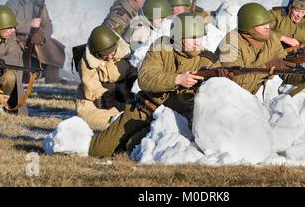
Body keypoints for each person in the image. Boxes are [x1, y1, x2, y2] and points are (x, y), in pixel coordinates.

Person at [88, 12, 223, 158]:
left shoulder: (209, 60)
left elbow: (218, 96)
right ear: (179, 37)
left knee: (134, 148)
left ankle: (133, 143)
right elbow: (145, 78)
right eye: (193, 38)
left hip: (176, 122)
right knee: (97, 149)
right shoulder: (162, 47)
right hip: (144, 109)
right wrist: (177, 79)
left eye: (200, 37)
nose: (199, 42)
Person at [217, 2, 303, 95]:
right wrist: (266, 68)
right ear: (249, 27)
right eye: (262, 24)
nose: (267, 27)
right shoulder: (230, 43)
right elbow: (236, 83)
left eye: (268, 23)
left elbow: (286, 69)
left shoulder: (271, 39)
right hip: (229, 100)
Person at [5, 0, 66, 84]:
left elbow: (48, 25)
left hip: (36, 39)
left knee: (54, 46)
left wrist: (42, 37)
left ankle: (52, 77)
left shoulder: (40, 5)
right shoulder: (13, 4)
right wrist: (29, 24)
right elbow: (7, 24)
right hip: (17, 40)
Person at [75, 25, 136, 130]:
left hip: (124, 93)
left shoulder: (127, 53)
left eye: (111, 52)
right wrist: (106, 96)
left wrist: (132, 81)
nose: (109, 57)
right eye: (104, 54)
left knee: (135, 114)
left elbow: (135, 69)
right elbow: (91, 87)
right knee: (98, 120)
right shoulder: (86, 62)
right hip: (97, 98)